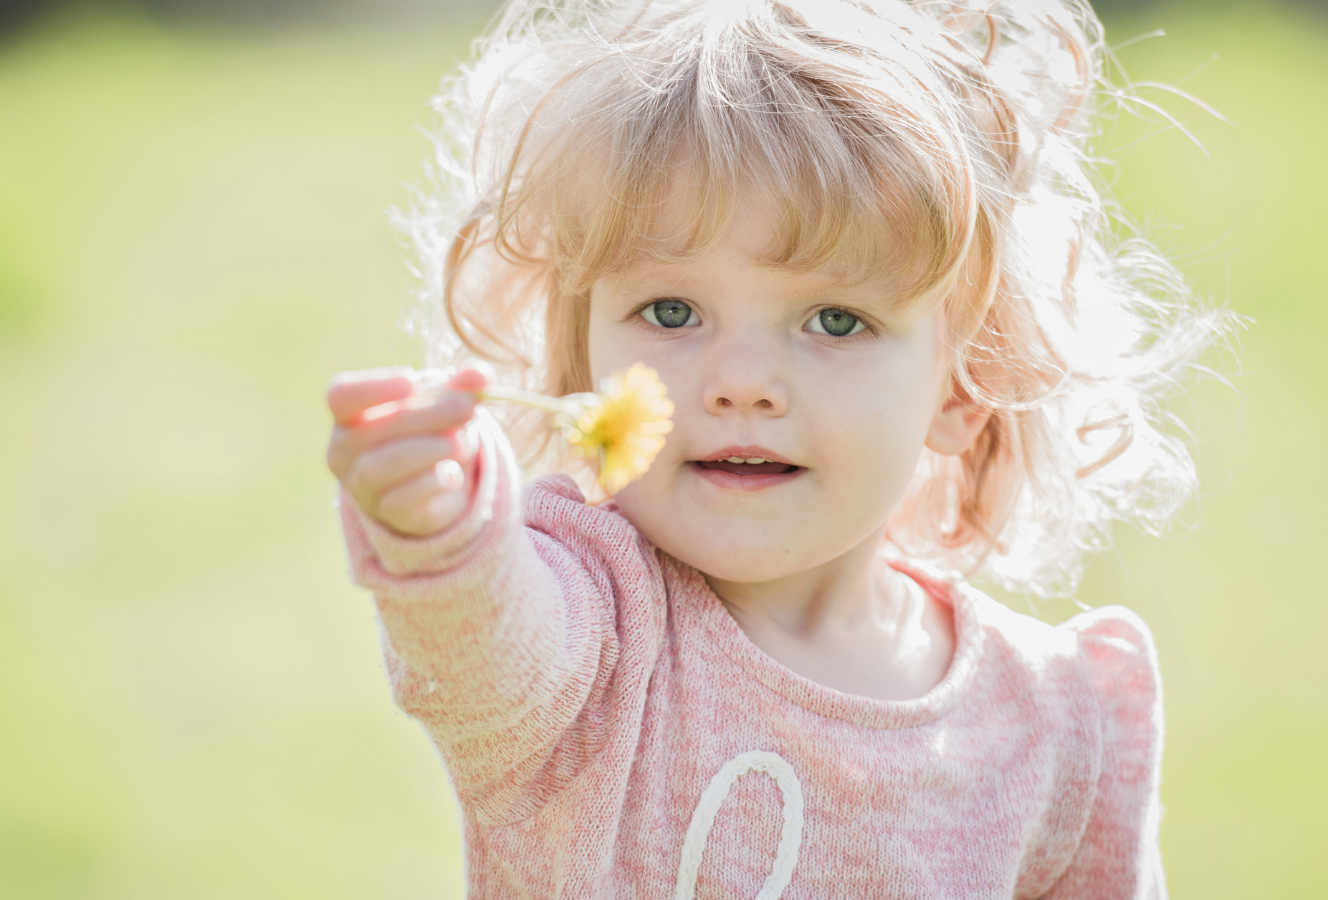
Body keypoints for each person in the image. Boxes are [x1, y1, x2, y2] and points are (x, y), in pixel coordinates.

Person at [325, 1, 1225, 895]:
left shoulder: (1056, 728)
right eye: (671, 311)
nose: (742, 380)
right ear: (581, 363)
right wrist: (444, 529)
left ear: (960, 387)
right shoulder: (593, 626)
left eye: (836, 320)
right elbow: (484, 648)